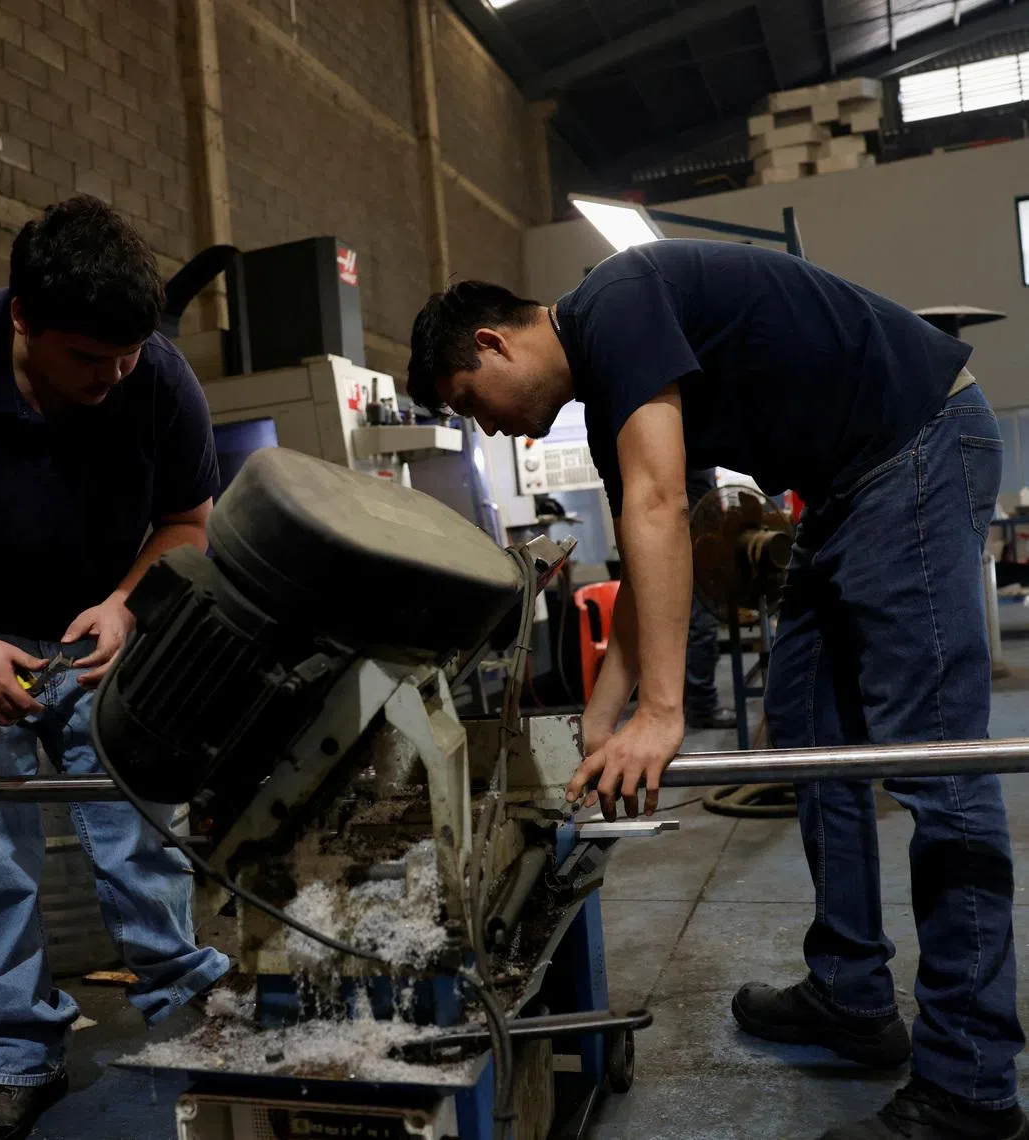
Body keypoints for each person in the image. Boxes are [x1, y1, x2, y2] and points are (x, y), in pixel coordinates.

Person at [406, 242, 1023, 1140]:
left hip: (917, 444)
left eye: (471, 405)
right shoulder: (614, 385)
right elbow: (654, 556)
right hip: (853, 485)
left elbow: (660, 504)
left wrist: (664, 716)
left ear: (495, 343)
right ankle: (852, 994)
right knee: (809, 735)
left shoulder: (614, 304)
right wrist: (600, 723)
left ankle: (973, 1085)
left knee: (938, 764)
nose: (494, 431)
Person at [0, 196, 231, 1140]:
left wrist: (126, 601)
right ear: (23, 319)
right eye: (89, 358)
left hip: (95, 619)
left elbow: (187, 524)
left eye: (128, 355)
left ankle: (190, 1012)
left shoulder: (155, 376)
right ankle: (18, 1059)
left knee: (140, 828)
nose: (114, 377)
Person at [684, 466, 735, 730]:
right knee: (701, 627)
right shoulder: (686, 440)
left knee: (696, 626)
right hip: (689, 540)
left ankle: (693, 701)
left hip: (698, 538)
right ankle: (702, 705)